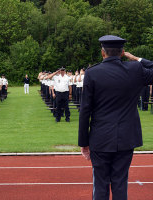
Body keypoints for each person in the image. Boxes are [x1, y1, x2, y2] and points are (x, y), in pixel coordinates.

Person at [78, 35, 153, 200]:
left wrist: (84, 142)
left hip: (100, 138)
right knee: (120, 183)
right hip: (127, 138)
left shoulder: (92, 73)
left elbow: (85, 111)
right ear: (122, 52)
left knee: (100, 184)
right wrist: (137, 59)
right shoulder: (135, 69)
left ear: (103, 53)